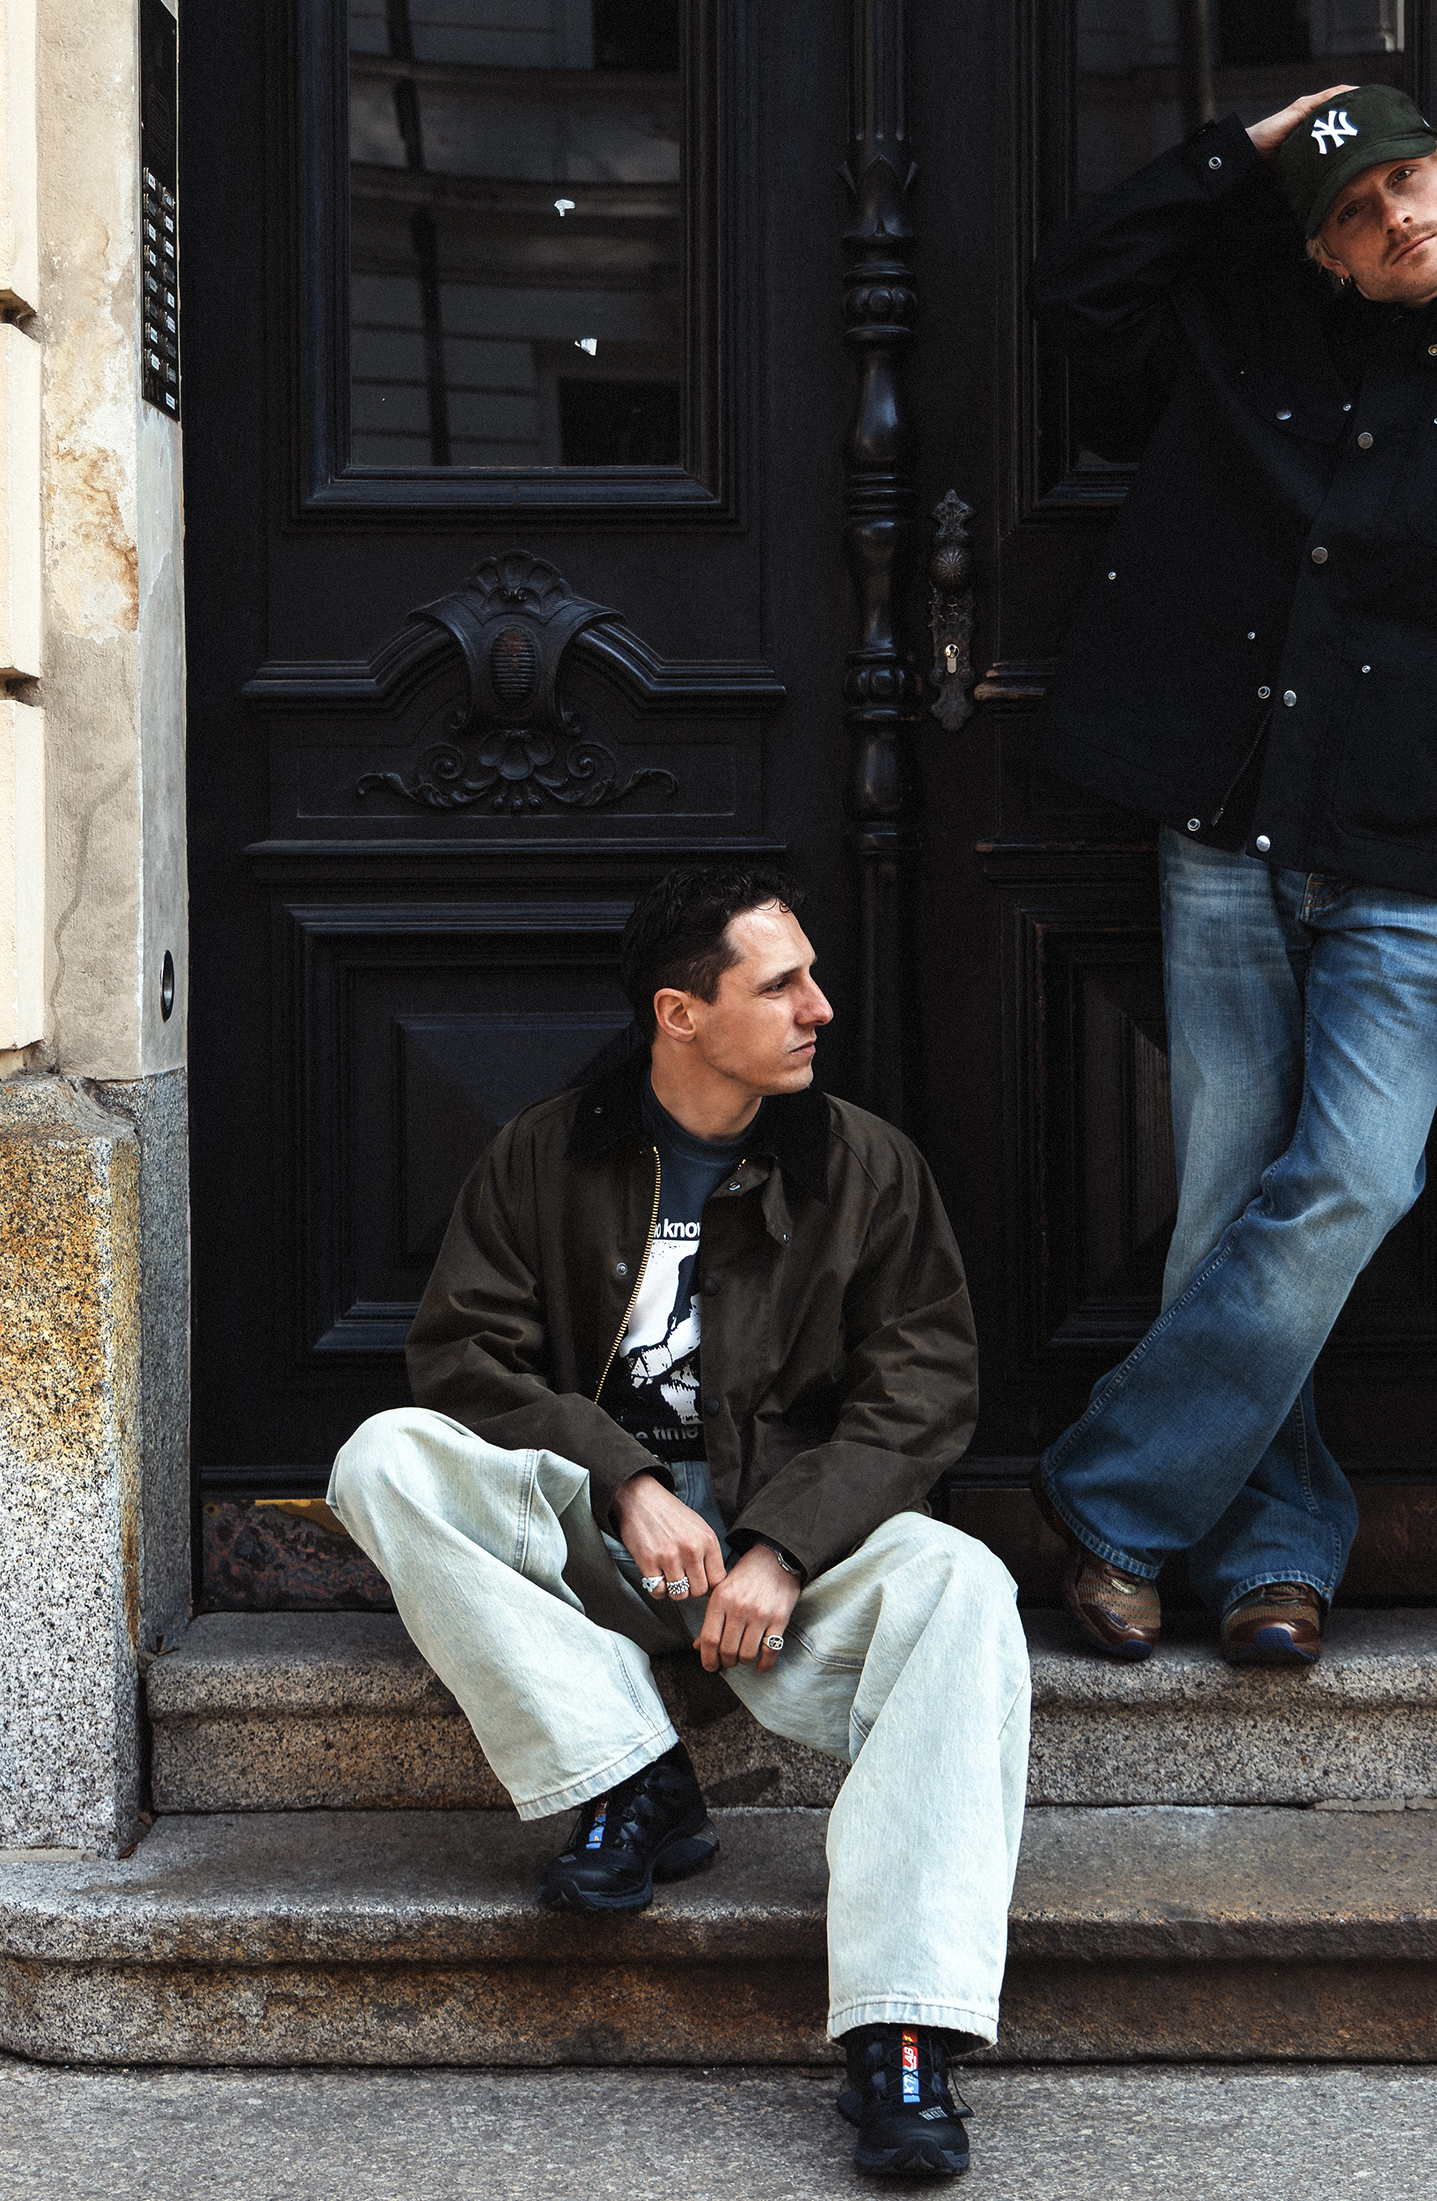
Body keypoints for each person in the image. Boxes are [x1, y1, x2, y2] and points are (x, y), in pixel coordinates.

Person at [1026, 84, 1437, 1668]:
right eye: (1355, 212)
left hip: (1417, 859)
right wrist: (1244, 151)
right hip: (1226, 830)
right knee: (1227, 1201)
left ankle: (1110, 1496)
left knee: (1358, 1180)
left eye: (1408, 182)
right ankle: (1272, 1557)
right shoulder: (1246, 335)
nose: (1394, 218)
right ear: (1326, 251)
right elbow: (1077, 288)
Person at [327, 863, 1027, 2180]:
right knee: (384, 1458)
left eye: (813, 978)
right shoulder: (546, 1154)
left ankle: (905, 2027)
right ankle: (632, 1771)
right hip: (599, 1548)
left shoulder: (866, 1167)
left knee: (966, 1585)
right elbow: (462, 1357)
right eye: (782, 985)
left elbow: (923, 1393)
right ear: (681, 1012)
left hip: (785, 1568)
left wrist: (786, 1546)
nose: (820, 1008)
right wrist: (624, 1478)